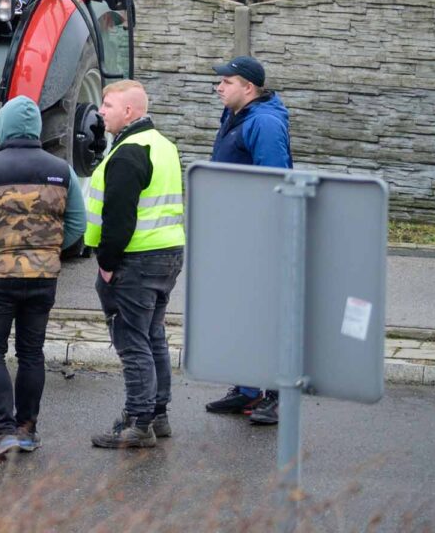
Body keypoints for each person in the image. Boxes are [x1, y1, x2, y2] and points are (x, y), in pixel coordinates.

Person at [0, 95, 86, 459]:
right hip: (43, 277)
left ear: (3, 126)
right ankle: (27, 430)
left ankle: (3, 431)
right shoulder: (62, 169)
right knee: (32, 352)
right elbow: (77, 224)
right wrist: (49, 250)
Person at [84, 80, 184, 449]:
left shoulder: (129, 152)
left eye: (107, 105)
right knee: (153, 337)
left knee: (132, 343)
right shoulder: (163, 145)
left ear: (129, 111)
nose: (100, 111)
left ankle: (138, 422)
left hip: (134, 261)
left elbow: (119, 217)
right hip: (167, 255)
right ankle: (158, 414)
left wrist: (107, 263)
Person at [203, 54, 293, 427]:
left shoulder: (266, 123)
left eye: (226, 82)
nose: (218, 87)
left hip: (258, 237)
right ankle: (247, 389)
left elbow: (274, 185)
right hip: (234, 233)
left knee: (265, 316)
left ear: (248, 88)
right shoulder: (237, 115)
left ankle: (274, 396)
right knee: (240, 313)